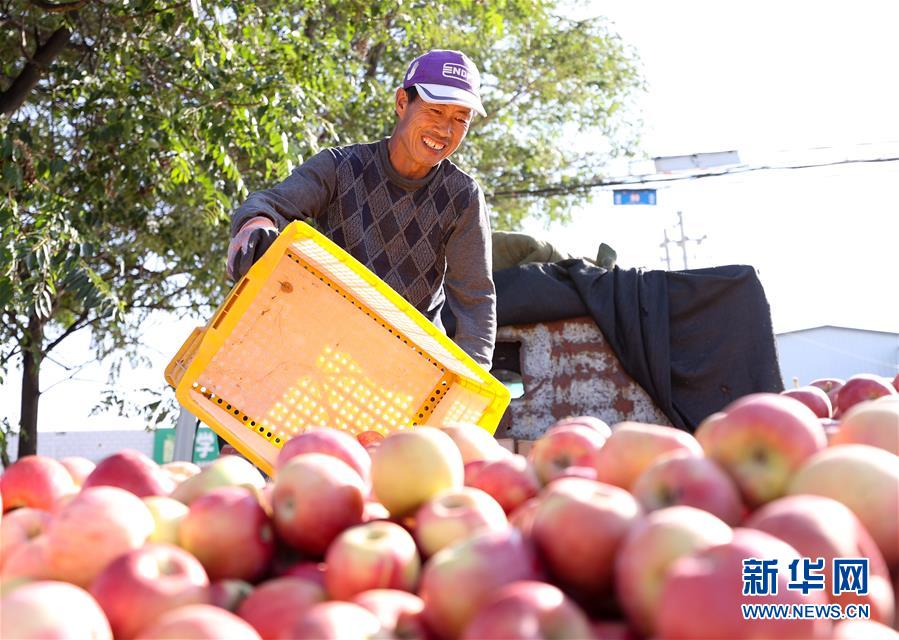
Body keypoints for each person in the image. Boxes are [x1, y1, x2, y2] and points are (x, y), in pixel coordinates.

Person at [226, 49, 496, 368]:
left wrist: (474, 376)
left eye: (460, 119)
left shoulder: (462, 196)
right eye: (435, 110)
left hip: (411, 364)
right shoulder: (340, 167)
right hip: (325, 351)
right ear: (402, 103)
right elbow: (269, 204)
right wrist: (254, 227)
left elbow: (475, 299)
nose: (445, 130)